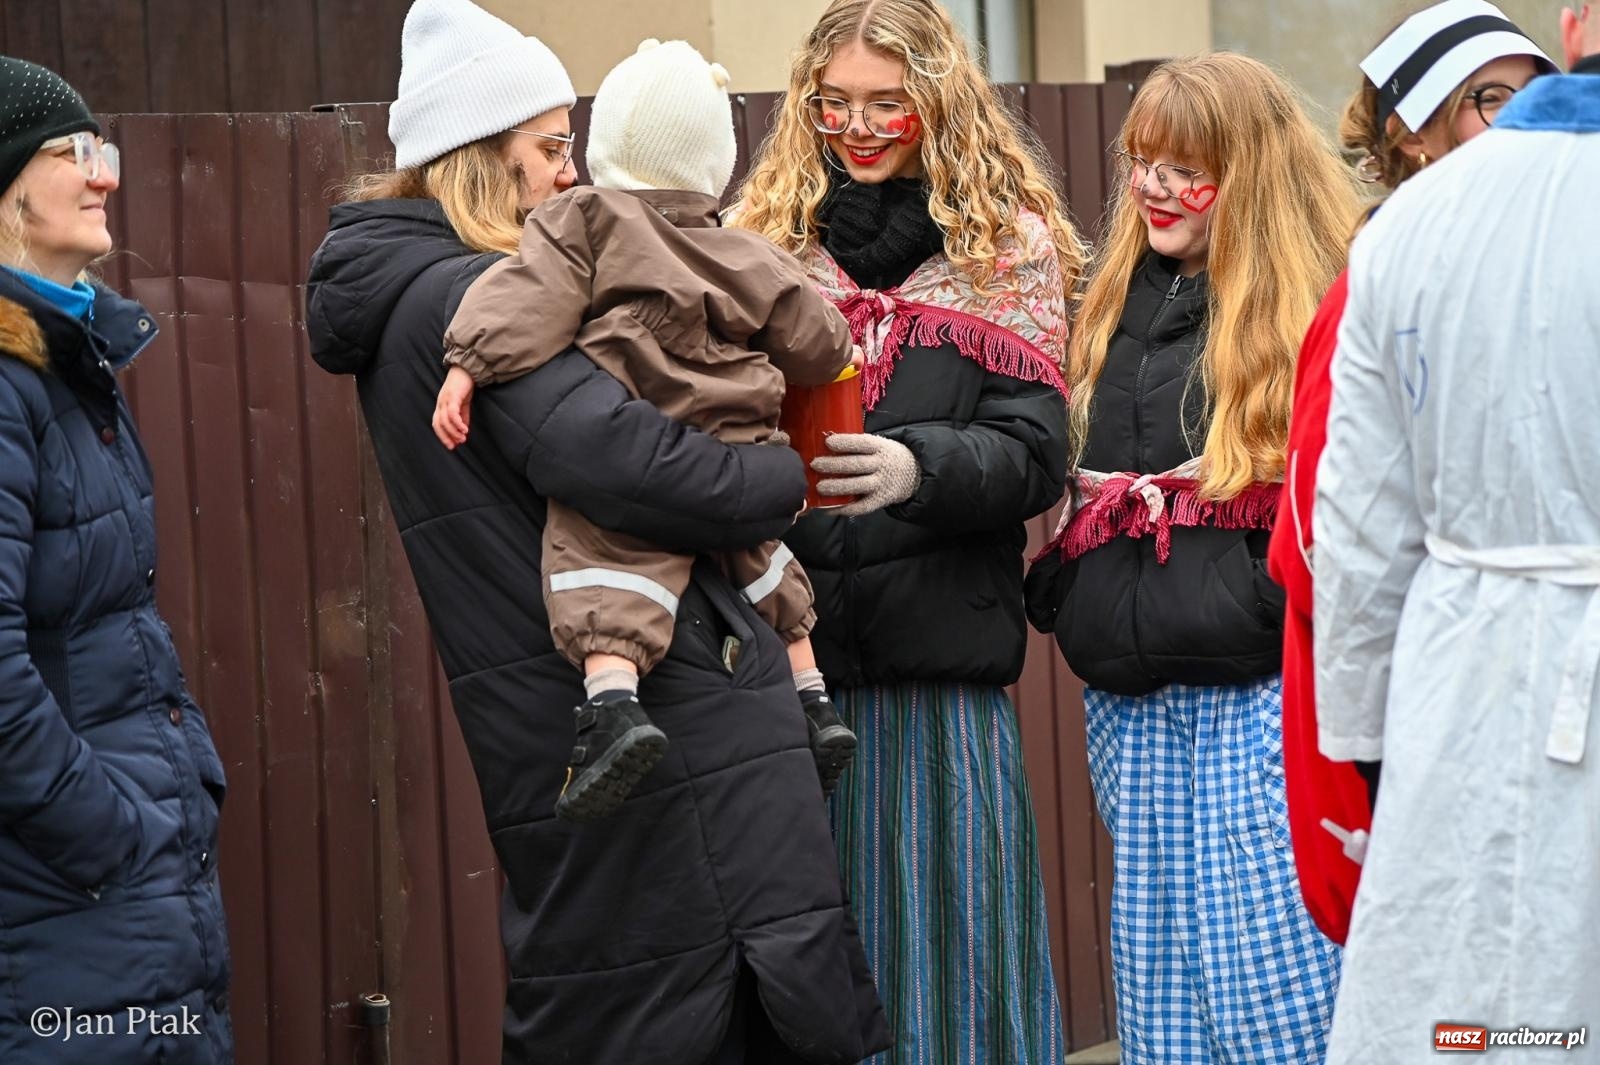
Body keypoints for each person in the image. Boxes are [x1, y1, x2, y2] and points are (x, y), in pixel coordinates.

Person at [304, 2, 889, 1062]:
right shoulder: (466, 296)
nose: (568, 175)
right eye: (546, 150)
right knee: (697, 1013)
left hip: (603, 722)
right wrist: (775, 473)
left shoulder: (430, 299)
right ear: (478, 161)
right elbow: (630, 463)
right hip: (661, 729)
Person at [731, 0, 1079, 1059]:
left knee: (958, 967)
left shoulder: (1003, 251)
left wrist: (918, 467)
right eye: (837, 104)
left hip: (942, 689)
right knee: (820, 976)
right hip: (795, 679)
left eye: (890, 103)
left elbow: (1033, 453)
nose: (863, 126)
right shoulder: (762, 246)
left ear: (938, 104)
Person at [1025, 53, 1360, 1064]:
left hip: (1252, 700)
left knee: (1275, 998)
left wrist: (1263, 606)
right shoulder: (1108, 298)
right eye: (1142, 161)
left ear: (1246, 172)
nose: (1155, 187)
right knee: (1163, 1005)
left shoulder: (1312, 304)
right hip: (1128, 705)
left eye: (1186, 165)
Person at [435, 38, 861, 822]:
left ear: (608, 150)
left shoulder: (586, 221)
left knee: (600, 551)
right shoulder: (746, 252)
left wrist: (466, 363)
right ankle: (814, 699)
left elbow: (526, 297)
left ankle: (612, 709)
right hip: (741, 441)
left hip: (652, 425)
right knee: (763, 558)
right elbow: (820, 341)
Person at [1312, 4, 1600, 1058]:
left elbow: (1360, 527)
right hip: (1478, 656)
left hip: (1466, 681)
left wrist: (1372, 746)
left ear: (1570, 25)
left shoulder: (1411, 231)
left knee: (1479, 1004)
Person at [1267, 0, 1553, 947]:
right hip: (1439, 676)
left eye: (1534, 96)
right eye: (1488, 100)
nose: (1521, 123)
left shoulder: (1552, 262)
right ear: (1413, 132)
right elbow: (1319, 533)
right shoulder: (1375, 282)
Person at [0, 58, 232, 1064]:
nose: (104, 177)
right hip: (64, 893)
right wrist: (111, 834)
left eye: (104, 152)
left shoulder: (60, 364)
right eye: (74, 154)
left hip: (117, 891)